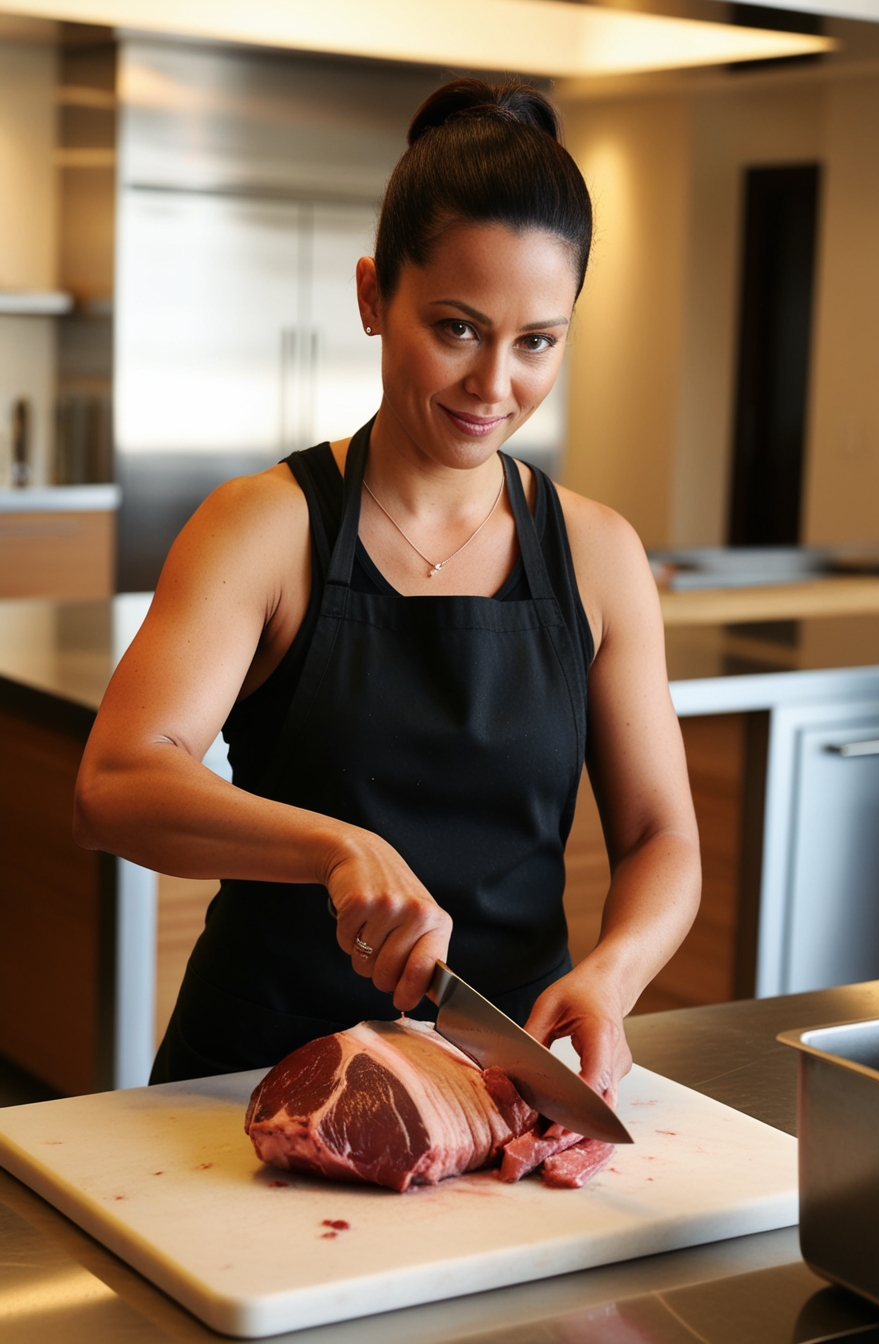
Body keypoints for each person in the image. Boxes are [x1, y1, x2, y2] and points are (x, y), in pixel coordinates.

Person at [74, 78, 700, 1101]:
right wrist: (334, 846)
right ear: (373, 297)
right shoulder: (265, 526)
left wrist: (611, 975)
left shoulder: (596, 552)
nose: (493, 386)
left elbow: (658, 838)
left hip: (497, 1077)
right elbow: (114, 788)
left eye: (535, 341)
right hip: (256, 1080)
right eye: (455, 328)